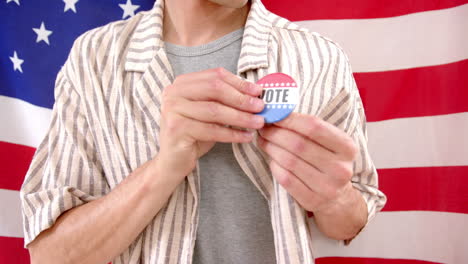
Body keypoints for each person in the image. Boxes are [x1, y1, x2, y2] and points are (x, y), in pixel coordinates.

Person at [20, 0, 387, 263]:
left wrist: (333, 198)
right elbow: (50, 255)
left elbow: (351, 219)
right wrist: (164, 169)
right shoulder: (94, 59)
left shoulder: (320, 57)